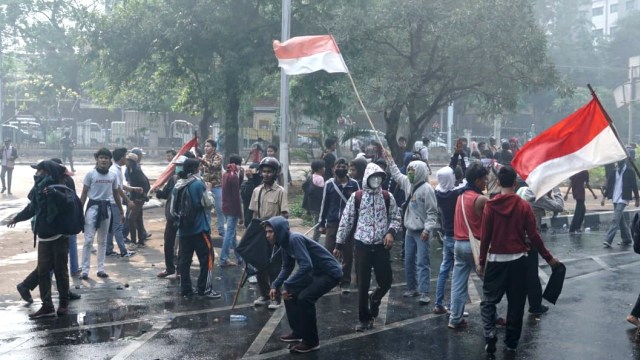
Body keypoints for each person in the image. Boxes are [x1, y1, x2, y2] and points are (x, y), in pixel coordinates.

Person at [478, 166, 559, 354]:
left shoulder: (490, 206)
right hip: (518, 261)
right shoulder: (524, 206)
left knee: (489, 301)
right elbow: (534, 236)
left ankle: (490, 334)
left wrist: (482, 261)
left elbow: (486, 237)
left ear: (498, 183)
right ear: (515, 184)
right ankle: (511, 344)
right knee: (516, 304)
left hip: (496, 260)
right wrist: (549, 258)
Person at [335, 162, 401, 331]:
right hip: (362, 245)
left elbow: (395, 217)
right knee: (362, 285)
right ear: (367, 178)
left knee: (386, 281)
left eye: (379, 178)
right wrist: (339, 244)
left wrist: (391, 233)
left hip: (381, 246)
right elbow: (346, 221)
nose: (376, 181)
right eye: (373, 178)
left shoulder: (387, 197)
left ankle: (376, 298)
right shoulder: (357, 197)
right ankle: (364, 319)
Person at [266, 216, 342, 354]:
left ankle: (312, 342)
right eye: (267, 232)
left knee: (305, 298)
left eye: (271, 231)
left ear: (280, 230)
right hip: (317, 272)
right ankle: (299, 332)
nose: (268, 235)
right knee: (289, 294)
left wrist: (287, 284)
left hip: (330, 272)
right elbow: (287, 266)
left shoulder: (294, 239)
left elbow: (306, 265)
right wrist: (275, 285)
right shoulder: (283, 243)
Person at [9, 160, 75, 318]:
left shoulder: (60, 185)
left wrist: (55, 193)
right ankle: (47, 306)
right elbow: (32, 208)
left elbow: (69, 203)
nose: (36, 173)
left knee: (60, 271)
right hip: (44, 237)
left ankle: (63, 303)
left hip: (59, 236)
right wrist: (17, 218)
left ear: (46, 172)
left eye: (39, 170)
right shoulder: (38, 189)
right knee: (43, 272)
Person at [386, 154, 438, 305]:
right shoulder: (409, 184)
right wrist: (390, 160)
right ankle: (411, 288)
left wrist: (427, 230)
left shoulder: (427, 190)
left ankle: (424, 292)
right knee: (409, 260)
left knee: (422, 262)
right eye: (408, 171)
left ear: (420, 172)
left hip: (422, 232)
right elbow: (396, 174)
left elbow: (432, 213)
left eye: (412, 171)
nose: (409, 174)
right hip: (409, 231)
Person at [172, 158, 221, 299]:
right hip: (200, 229)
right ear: (195, 169)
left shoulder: (178, 184)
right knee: (207, 258)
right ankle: (205, 289)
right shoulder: (198, 184)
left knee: (185, 261)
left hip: (183, 229)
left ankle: (186, 289)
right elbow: (208, 203)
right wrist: (210, 190)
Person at [448, 162, 489, 329]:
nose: (486, 182)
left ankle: (455, 319)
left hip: (458, 245)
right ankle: (493, 316)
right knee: (490, 283)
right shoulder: (480, 199)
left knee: (458, 284)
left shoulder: (461, 196)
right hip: (474, 247)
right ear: (478, 180)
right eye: (485, 179)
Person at [249, 157, 289, 309]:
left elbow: (285, 214)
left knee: (274, 268)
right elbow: (253, 215)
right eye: (264, 171)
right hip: (259, 234)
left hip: (275, 236)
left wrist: (272, 224)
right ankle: (264, 295)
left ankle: (276, 297)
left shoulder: (280, 192)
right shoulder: (256, 191)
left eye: (269, 172)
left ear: (275, 173)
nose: (266, 174)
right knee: (260, 266)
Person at [80, 148, 124, 280]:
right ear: (97, 159)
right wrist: (79, 211)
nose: (103, 160)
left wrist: (121, 211)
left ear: (110, 160)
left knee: (102, 240)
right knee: (88, 240)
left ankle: (101, 269)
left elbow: (116, 194)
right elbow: (83, 193)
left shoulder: (113, 175)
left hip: (107, 209)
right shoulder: (90, 174)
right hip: (92, 208)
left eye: (106, 158)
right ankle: (85, 270)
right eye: (101, 157)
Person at [318, 158, 360, 293]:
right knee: (329, 251)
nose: (341, 168)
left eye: (344, 166)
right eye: (338, 166)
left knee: (347, 253)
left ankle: (345, 281)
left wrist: (358, 223)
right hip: (332, 222)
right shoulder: (329, 184)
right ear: (333, 169)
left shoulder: (354, 184)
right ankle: (330, 278)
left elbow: (359, 205)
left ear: (347, 168)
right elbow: (324, 204)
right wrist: (321, 223)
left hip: (349, 223)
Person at [433, 166, 466, 314]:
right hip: (456, 236)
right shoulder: (454, 194)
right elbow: (467, 181)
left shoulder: (439, 192)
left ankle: (438, 303)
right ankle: (455, 308)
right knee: (457, 274)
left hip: (446, 235)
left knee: (444, 269)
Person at [155, 154, 195, 278]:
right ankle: (170, 268)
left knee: (183, 245)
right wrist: (157, 192)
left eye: (180, 166)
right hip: (172, 216)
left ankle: (180, 269)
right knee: (168, 242)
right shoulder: (173, 179)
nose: (178, 168)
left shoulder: (192, 181)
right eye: (177, 166)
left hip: (184, 218)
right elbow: (166, 194)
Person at [106, 148, 138, 257]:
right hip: (113, 202)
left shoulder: (116, 169)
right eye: (125, 157)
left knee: (110, 227)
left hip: (112, 201)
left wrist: (133, 189)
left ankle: (109, 249)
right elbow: (118, 189)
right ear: (121, 158)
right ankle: (123, 251)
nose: (126, 159)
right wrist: (128, 201)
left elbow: (121, 186)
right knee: (118, 227)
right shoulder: (115, 171)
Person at [603, 157, 639, 247]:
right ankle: (627, 239)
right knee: (620, 220)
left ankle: (608, 240)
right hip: (615, 198)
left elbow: (634, 185)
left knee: (615, 219)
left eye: (621, 160)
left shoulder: (630, 171)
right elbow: (609, 185)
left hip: (623, 198)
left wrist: (637, 199)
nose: (619, 162)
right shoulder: (613, 171)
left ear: (624, 161)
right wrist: (604, 197)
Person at [219, 154, 244, 267]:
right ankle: (224, 258)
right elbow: (236, 197)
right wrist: (240, 214)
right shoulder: (234, 176)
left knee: (232, 233)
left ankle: (238, 257)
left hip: (225, 206)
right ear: (238, 164)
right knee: (229, 233)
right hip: (232, 208)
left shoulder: (226, 174)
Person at [201, 139, 225, 237]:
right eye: (205, 146)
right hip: (207, 187)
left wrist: (202, 161)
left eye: (208, 146)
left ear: (214, 148)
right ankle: (207, 229)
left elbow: (213, 166)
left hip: (217, 186)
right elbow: (201, 170)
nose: (206, 148)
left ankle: (221, 229)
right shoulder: (204, 157)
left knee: (220, 209)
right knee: (207, 209)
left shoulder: (218, 157)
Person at [125, 153, 150, 247]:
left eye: (128, 160)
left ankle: (133, 242)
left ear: (132, 162)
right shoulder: (129, 170)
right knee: (138, 219)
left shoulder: (137, 172)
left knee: (131, 219)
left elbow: (146, 184)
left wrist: (142, 197)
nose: (126, 161)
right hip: (134, 197)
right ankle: (141, 241)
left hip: (138, 198)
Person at [302, 160, 325, 242]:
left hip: (311, 205)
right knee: (318, 225)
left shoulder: (310, 177)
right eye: (323, 167)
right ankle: (315, 242)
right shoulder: (320, 179)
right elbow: (322, 194)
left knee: (316, 223)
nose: (324, 169)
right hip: (318, 206)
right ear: (319, 169)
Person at [241, 162, 262, 228]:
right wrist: (250, 179)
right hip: (248, 212)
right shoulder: (246, 184)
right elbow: (247, 196)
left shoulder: (263, 183)